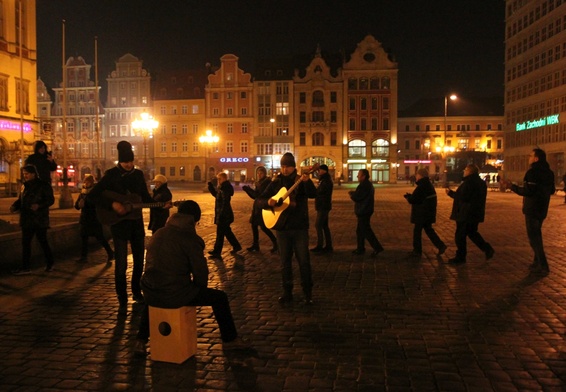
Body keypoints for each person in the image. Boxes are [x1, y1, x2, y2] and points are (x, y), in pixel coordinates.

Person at [134, 200, 249, 355]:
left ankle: (140, 340)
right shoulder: (189, 238)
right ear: (194, 220)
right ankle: (230, 340)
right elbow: (200, 273)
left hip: (149, 290)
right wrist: (196, 289)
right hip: (174, 292)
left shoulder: (159, 232)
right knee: (219, 298)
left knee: (155, 296)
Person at [88, 141, 167, 308]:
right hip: (119, 224)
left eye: (131, 162)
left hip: (136, 223)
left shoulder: (138, 175)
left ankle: (137, 292)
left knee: (139, 260)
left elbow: (145, 197)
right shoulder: (110, 175)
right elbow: (93, 196)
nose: (129, 165)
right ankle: (121, 296)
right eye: (126, 162)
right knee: (121, 263)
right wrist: (113, 205)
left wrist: (160, 205)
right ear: (119, 161)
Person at [257, 152, 317, 305]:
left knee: (303, 261)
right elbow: (260, 199)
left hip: (299, 227)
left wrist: (307, 181)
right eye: (283, 166)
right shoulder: (276, 181)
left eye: (288, 167)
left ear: (294, 167)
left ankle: (307, 292)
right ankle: (287, 292)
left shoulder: (300, 180)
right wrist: (268, 202)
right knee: (285, 262)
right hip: (282, 228)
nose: (285, 170)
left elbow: (313, 194)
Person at [503, 148, 555, 275]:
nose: (529, 158)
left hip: (532, 208)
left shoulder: (532, 172)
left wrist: (512, 187)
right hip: (543, 208)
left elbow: (528, 191)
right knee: (537, 235)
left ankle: (543, 265)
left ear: (536, 159)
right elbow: (552, 190)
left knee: (534, 238)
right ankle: (536, 262)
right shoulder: (549, 172)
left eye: (531, 156)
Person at [10, 164, 55, 274]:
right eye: (24, 174)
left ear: (33, 174)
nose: (25, 176)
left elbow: (50, 200)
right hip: (26, 218)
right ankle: (25, 267)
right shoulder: (24, 186)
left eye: (27, 174)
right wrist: (14, 206)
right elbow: (21, 200)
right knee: (25, 243)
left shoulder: (43, 185)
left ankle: (50, 263)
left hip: (39, 219)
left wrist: (38, 206)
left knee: (42, 242)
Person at [445, 164, 494, 264]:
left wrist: (450, 193)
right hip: (475, 213)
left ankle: (460, 257)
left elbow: (463, 197)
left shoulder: (469, 182)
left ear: (469, 171)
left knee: (460, 235)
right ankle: (487, 249)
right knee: (472, 233)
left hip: (465, 213)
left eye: (465, 170)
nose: (464, 171)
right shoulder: (480, 182)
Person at [403, 168, 447, 258]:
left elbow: (414, 199)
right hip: (428, 212)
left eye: (417, 175)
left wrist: (408, 197)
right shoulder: (428, 184)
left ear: (420, 175)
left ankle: (417, 251)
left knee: (417, 232)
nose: (416, 176)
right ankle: (441, 245)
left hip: (422, 213)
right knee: (429, 230)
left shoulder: (422, 186)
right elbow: (421, 197)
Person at [74, 174, 114, 263]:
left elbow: (97, 204)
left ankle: (110, 252)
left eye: (88, 182)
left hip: (94, 219)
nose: (86, 184)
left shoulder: (95, 192)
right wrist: (78, 205)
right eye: (85, 182)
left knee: (100, 238)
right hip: (84, 219)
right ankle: (83, 257)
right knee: (84, 239)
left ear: (92, 183)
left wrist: (86, 203)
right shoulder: (82, 193)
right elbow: (77, 206)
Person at [348, 169, 384, 257]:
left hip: (364, 210)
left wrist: (352, 195)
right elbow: (361, 194)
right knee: (360, 230)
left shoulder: (364, 185)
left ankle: (377, 247)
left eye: (359, 175)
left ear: (364, 176)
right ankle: (360, 248)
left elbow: (358, 197)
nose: (357, 176)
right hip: (365, 209)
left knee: (366, 230)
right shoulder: (366, 184)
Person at [242, 167, 278, 253]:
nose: (259, 175)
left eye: (261, 173)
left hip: (263, 207)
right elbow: (254, 197)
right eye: (258, 173)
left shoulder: (266, 183)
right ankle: (255, 244)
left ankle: (276, 243)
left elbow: (258, 195)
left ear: (264, 174)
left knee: (263, 227)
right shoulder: (259, 182)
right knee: (254, 225)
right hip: (257, 206)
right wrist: (248, 191)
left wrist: (248, 189)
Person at [207, 172, 242, 258]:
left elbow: (225, 202)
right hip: (224, 213)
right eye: (218, 179)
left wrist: (221, 214)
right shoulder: (223, 187)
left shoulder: (225, 188)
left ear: (224, 179)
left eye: (219, 179)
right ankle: (236, 246)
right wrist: (211, 188)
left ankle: (217, 252)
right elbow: (217, 196)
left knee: (220, 234)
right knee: (226, 232)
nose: (218, 180)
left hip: (224, 214)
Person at [311, 164, 333, 253]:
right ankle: (328, 246)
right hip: (324, 205)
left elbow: (319, 191)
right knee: (324, 226)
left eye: (320, 170)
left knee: (318, 225)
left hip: (323, 206)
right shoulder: (324, 179)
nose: (318, 172)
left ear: (324, 171)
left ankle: (320, 245)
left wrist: (314, 189)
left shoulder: (326, 180)